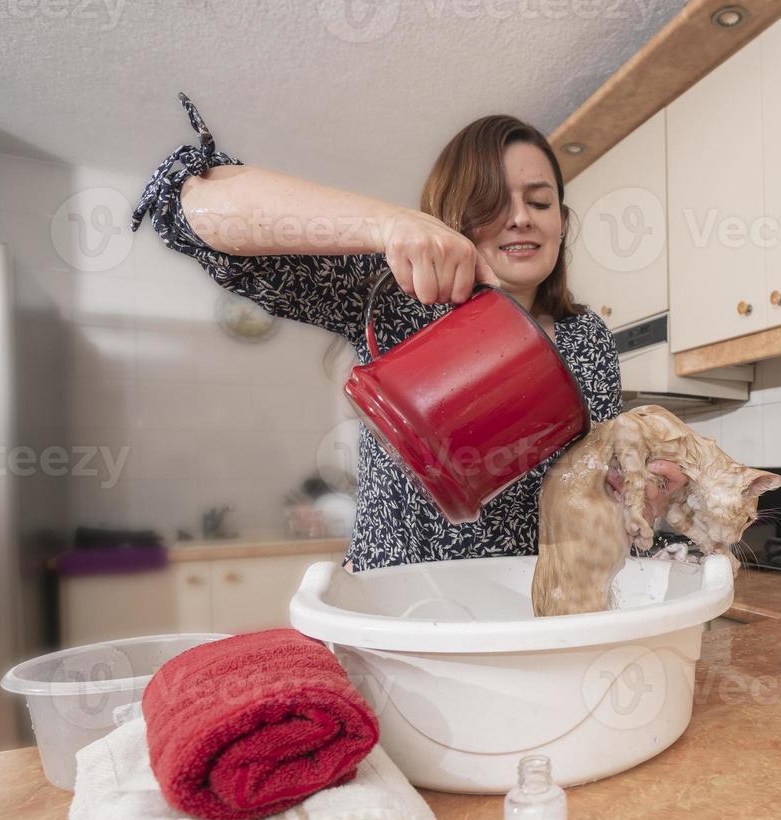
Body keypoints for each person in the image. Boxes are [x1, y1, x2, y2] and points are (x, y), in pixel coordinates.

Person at [132, 94, 685, 570]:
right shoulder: (402, 297)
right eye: (493, 203)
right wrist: (388, 226)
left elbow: (602, 484)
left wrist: (638, 494)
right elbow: (192, 206)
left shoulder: (586, 337)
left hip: (531, 613)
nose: (521, 218)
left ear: (560, 220)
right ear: (455, 217)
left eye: (539, 202)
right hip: (401, 609)